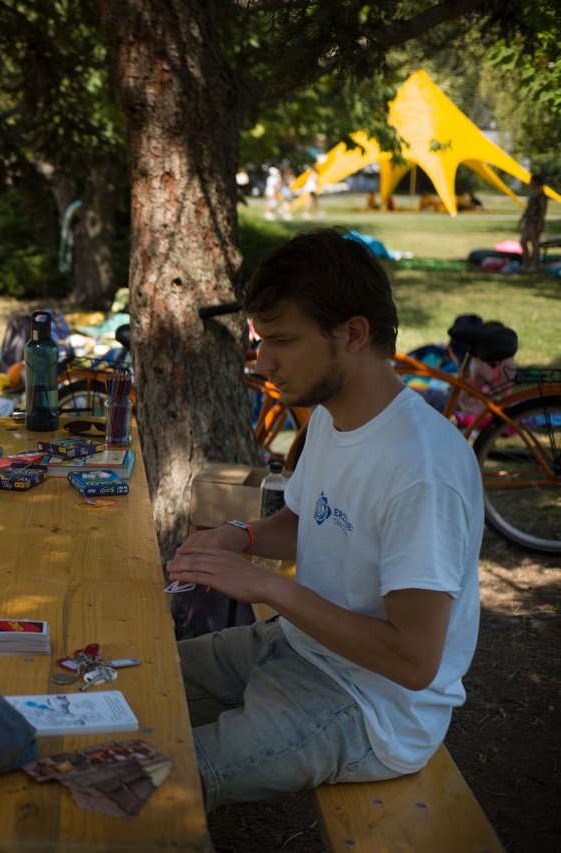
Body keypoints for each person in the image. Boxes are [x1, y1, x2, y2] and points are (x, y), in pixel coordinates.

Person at [167, 228, 482, 814]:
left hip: (371, 710)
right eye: (262, 340)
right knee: (129, 678)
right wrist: (239, 537)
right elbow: (304, 518)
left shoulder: (422, 469)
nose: (263, 361)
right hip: (296, 646)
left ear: (353, 334)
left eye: (282, 340)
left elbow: (414, 662)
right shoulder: (331, 421)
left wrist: (268, 586)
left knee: (156, 780)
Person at [520, 174, 548, 273]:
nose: (530, 183)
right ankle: (525, 264)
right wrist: (521, 220)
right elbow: (528, 208)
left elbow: (543, 211)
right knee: (522, 242)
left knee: (534, 244)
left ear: (536, 182)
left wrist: (540, 224)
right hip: (528, 221)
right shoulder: (532, 194)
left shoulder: (542, 195)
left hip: (535, 222)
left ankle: (534, 266)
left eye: (531, 181)